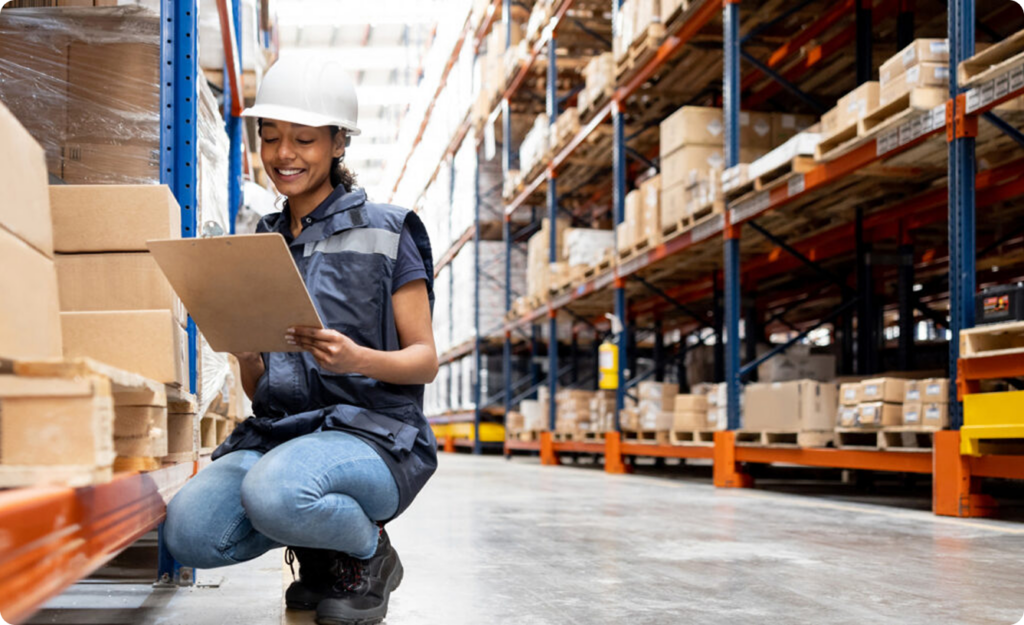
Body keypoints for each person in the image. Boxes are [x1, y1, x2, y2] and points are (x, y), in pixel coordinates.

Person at [163, 55, 438, 625]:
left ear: (339, 143)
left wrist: (356, 357)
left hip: (375, 438)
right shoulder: (262, 241)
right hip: (282, 434)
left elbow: (425, 360)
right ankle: (320, 556)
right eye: (271, 138)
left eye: (305, 140)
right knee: (188, 532)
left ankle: (367, 558)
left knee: (275, 490)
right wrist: (244, 353)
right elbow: (263, 385)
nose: (284, 155)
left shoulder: (390, 232)